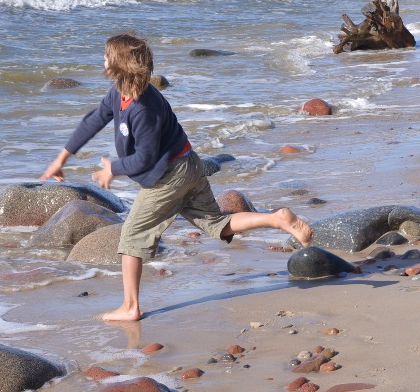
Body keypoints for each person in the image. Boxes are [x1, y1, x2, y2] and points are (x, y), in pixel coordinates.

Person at [41, 33, 313, 321]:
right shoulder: (118, 92)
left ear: (120, 64)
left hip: (171, 175)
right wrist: (61, 158)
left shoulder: (144, 107)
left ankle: (130, 307)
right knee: (216, 224)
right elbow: (94, 120)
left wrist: (113, 169)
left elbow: (145, 158)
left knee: (132, 236)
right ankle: (277, 218)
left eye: (107, 56)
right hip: (188, 164)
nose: (103, 60)